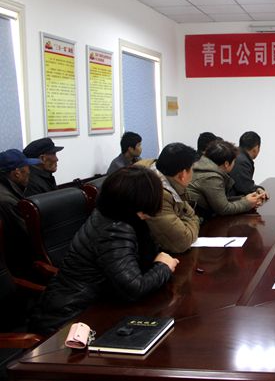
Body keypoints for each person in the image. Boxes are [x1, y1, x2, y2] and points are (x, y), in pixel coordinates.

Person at [28, 167, 179, 335]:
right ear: (138, 202)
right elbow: (135, 288)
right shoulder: (114, 230)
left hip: (94, 302)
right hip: (73, 318)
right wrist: (163, 267)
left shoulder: (111, 214)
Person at [136, 143, 200, 253]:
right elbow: (182, 242)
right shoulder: (157, 194)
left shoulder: (164, 176)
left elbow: (191, 214)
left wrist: (187, 222)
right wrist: (191, 223)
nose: (193, 173)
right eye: (192, 169)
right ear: (183, 174)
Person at [188, 141, 262, 218]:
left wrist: (244, 199)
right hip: (197, 220)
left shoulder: (203, 167)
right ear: (226, 164)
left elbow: (221, 200)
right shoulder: (211, 177)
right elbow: (224, 209)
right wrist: (248, 203)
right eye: (234, 161)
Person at [0, 149, 41, 278]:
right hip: (18, 265)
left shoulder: (7, 189)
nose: (29, 171)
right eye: (27, 167)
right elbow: (29, 234)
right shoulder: (8, 201)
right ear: (17, 173)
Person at [230, 131, 269, 200]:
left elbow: (246, 183)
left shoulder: (237, 155)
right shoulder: (242, 161)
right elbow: (245, 189)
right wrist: (258, 189)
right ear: (256, 148)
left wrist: (258, 188)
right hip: (232, 201)